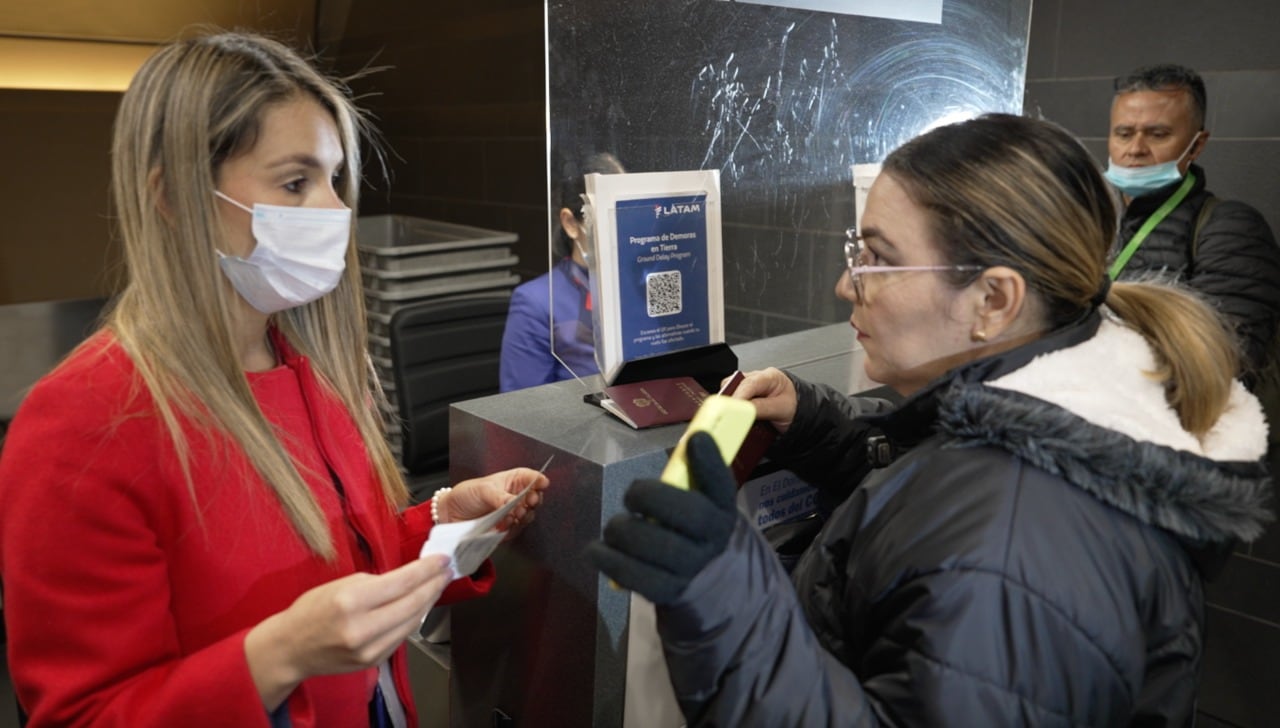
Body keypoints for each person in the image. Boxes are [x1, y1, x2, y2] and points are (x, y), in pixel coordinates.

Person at [588, 114, 1273, 726]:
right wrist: (822, 426)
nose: (845, 283)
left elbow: (974, 538)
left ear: (993, 300)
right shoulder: (1069, 422)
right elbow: (947, 482)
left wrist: (727, 608)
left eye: (878, 258)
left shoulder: (1010, 552)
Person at [0, 31, 549, 728]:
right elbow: (84, 714)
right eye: (295, 182)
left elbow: (340, 564)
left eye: (334, 179)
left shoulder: (303, 366)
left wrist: (445, 525)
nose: (332, 211)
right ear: (173, 197)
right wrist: (275, 657)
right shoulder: (84, 424)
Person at [1106, 63, 1280, 389]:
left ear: (1197, 145)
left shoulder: (1231, 229)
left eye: (1158, 134)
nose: (1135, 149)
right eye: (1123, 133)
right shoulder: (1091, 224)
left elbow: (1222, 363)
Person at [499, 152, 625, 391]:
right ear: (570, 223)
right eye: (607, 215)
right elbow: (521, 408)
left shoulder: (638, 287)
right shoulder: (536, 302)